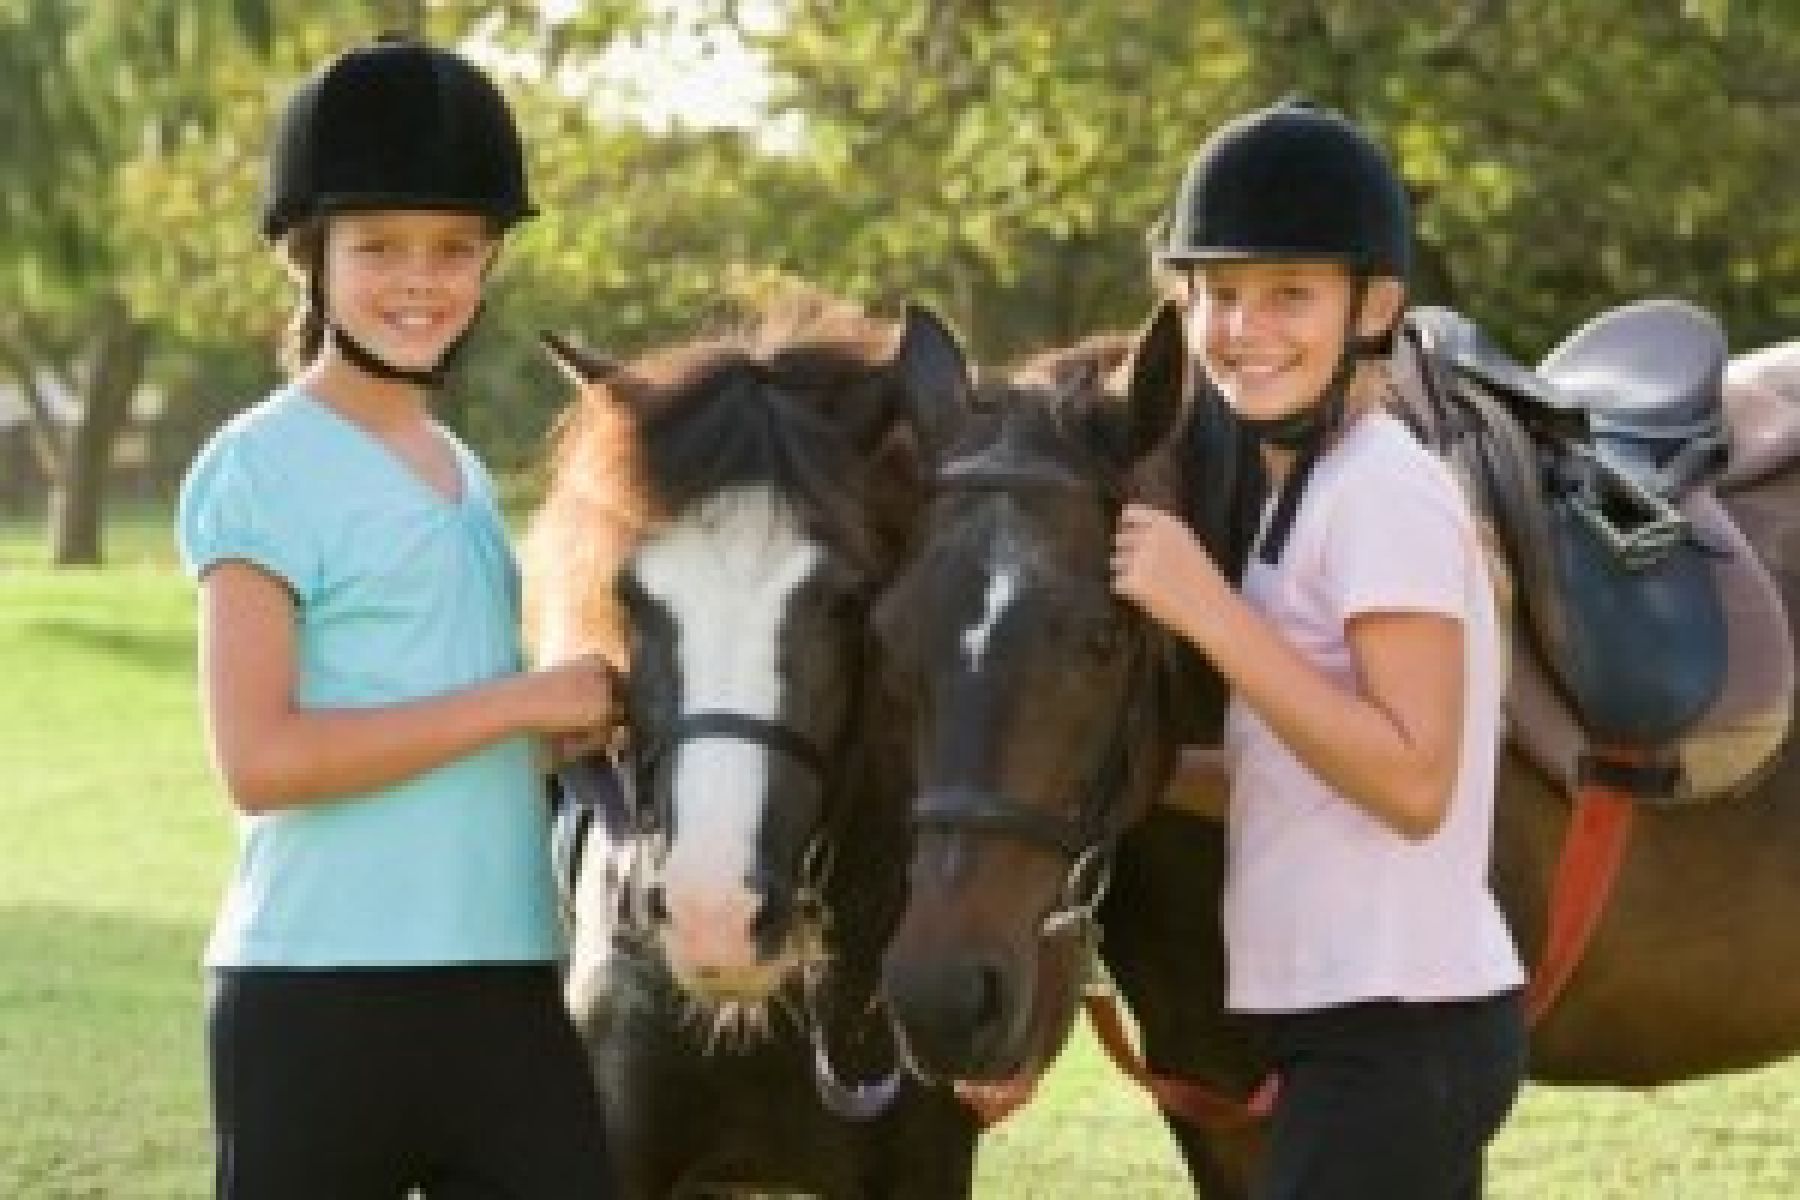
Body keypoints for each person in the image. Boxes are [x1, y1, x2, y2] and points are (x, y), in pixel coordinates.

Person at [177, 35, 617, 1199]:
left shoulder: (461, 470)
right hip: (318, 999)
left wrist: (559, 735)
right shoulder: (257, 467)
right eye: (380, 247)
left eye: (455, 249)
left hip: (508, 978)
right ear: (308, 260)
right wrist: (523, 700)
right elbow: (261, 760)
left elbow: (450, 725)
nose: (421, 279)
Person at [1111, 98, 1528, 1198]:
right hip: (1351, 1026)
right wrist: (1141, 779)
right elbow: (1303, 763)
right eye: (1220, 295)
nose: (1244, 328)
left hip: (1401, 1030)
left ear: (1375, 306)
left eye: (1289, 294)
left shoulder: (1384, 492)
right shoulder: (1306, 494)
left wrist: (1208, 613)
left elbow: (1410, 779)